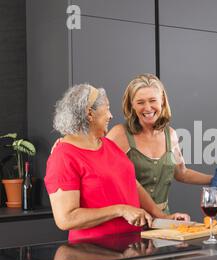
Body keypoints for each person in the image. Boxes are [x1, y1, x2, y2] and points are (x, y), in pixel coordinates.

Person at [45, 84, 189, 241]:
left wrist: (162, 217)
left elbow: (131, 183)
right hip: (94, 252)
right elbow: (66, 219)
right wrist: (120, 210)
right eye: (106, 108)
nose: (110, 115)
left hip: (130, 249)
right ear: (90, 113)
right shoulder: (63, 156)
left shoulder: (108, 145)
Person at [107, 74, 212, 213]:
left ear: (162, 101)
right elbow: (102, 176)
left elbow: (181, 173)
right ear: (132, 105)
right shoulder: (119, 134)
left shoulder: (171, 135)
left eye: (152, 100)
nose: (148, 108)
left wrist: (215, 179)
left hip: (164, 219)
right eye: (140, 102)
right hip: (130, 220)